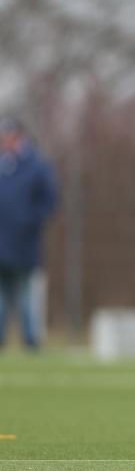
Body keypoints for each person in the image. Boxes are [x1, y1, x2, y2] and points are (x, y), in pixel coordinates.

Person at [0, 116, 57, 350]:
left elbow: (50, 199)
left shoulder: (37, 165)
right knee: (2, 296)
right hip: (1, 242)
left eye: (10, 137)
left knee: (25, 294)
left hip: (25, 243)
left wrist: (29, 221)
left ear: (20, 137)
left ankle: (31, 340)